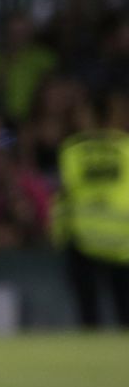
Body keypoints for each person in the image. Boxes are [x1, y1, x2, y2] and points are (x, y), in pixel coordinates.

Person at [52, 116, 129, 328]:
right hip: (123, 242)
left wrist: (58, 235)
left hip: (82, 238)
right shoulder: (126, 147)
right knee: (125, 312)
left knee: (88, 315)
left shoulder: (72, 149)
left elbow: (63, 195)